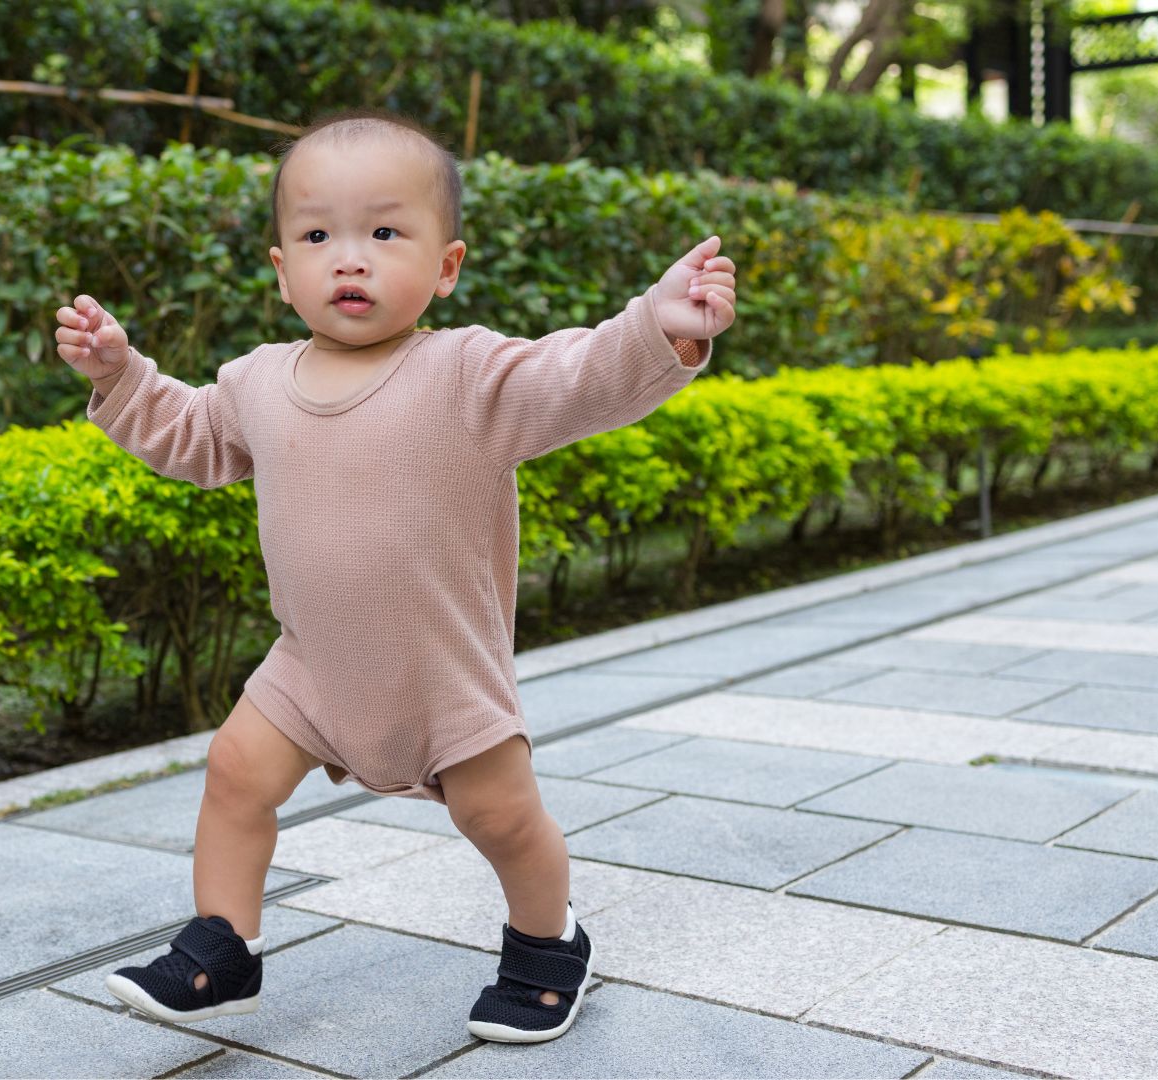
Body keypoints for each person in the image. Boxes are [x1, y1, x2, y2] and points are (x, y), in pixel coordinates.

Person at [50, 106, 735, 1044]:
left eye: (384, 232)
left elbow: (573, 376)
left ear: (445, 266)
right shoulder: (256, 380)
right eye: (317, 234)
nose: (350, 257)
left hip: (442, 671)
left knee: (500, 818)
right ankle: (222, 949)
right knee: (235, 774)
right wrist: (123, 376)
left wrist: (656, 327)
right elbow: (194, 437)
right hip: (311, 665)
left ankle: (548, 942)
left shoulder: (466, 374)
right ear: (282, 268)